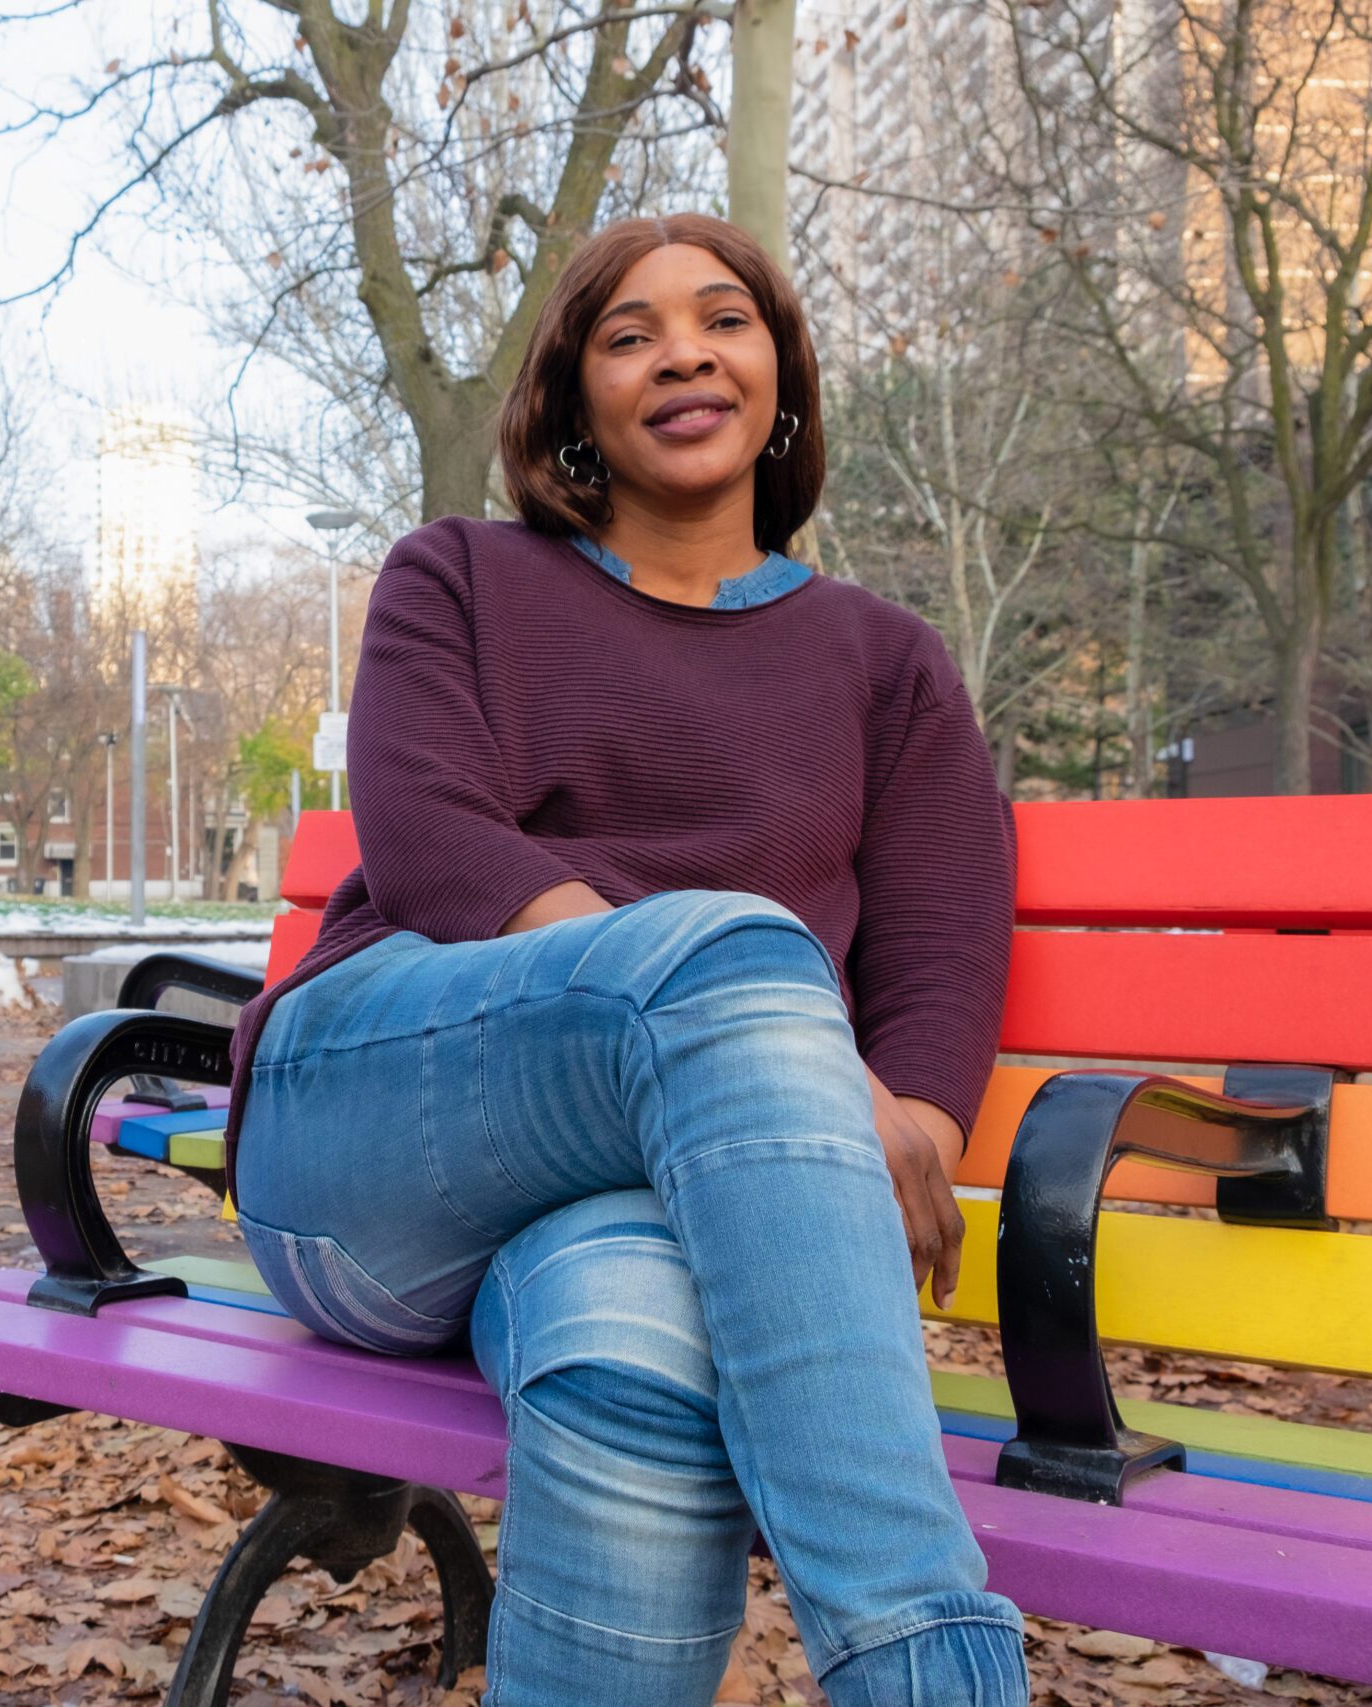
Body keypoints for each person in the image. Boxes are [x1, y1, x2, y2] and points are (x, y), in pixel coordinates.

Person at [221, 213, 1029, 1706]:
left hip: (651, 1193)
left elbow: (943, 936)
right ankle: (932, 1675)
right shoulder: (457, 576)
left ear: (779, 376)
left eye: (724, 320)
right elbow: (425, 833)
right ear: (573, 398)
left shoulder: (885, 661)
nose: (682, 354)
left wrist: (909, 1118)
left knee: (634, 1353)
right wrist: (731, 1018)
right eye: (629, 333)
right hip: (373, 1128)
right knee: (735, 959)